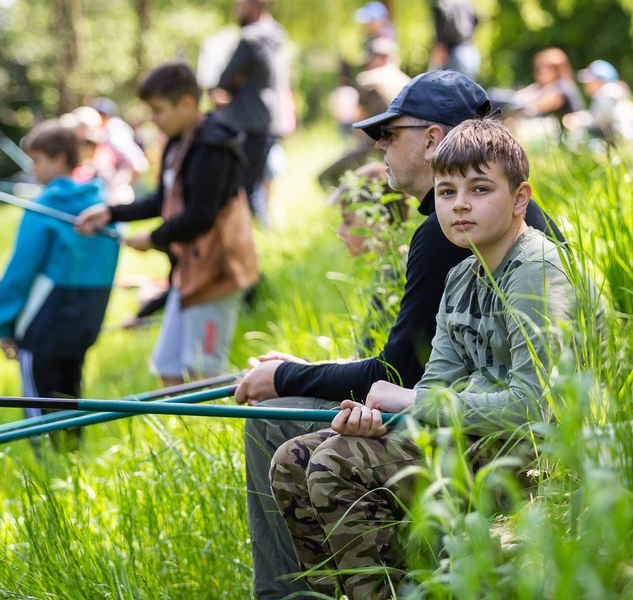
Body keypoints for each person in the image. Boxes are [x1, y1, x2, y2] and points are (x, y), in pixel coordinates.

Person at [235, 70, 565, 599]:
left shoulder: (523, 263)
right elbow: (428, 379)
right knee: (295, 459)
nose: (460, 204)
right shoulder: (463, 266)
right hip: (461, 423)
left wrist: (305, 380)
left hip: (516, 444)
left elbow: (528, 403)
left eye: (389, 134)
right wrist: (378, 415)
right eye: (447, 192)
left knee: (318, 453)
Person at [75, 61, 258, 387]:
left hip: (217, 272)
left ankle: (221, 416)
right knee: (167, 368)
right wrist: (110, 213)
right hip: (188, 273)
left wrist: (154, 238)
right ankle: (184, 423)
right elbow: (162, 199)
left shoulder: (214, 147)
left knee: (204, 373)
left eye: (158, 110)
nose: (154, 119)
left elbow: (201, 215)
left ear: (186, 104)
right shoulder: (176, 141)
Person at [0, 120, 119, 445]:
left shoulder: (44, 208)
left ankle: (46, 464)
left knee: (39, 409)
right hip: (87, 320)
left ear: (59, 159)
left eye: (37, 160)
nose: (32, 168)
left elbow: (20, 271)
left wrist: (4, 325)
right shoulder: (101, 206)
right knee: (71, 395)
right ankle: (73, 456)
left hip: (43, 325)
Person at [212, 0, 288, 224]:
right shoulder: (276, 36)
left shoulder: (251, 38)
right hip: (268, 120)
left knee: (240, 190)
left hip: (245, 122)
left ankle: (243, 235)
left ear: (255, 5)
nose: (236, 9)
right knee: (259, 184)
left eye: (241, 4)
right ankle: (260, 230)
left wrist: (234, 83)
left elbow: (223, 83)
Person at [331, 162, 409, 356]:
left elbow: (365, 355)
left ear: (375, 221)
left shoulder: (397, 273)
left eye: (347, 221)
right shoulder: (390, 267)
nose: (339, 231)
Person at [318, 39, 411, 188]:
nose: (367, 65)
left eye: (369, 60)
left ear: (379, 58)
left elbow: (360, 120)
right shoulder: (408, 81)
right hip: (409, 145)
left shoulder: (368, 79)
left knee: (325, 178)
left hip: (376, 142)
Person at [563, 59, 633, 145]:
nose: (585, 84)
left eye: (589, 80)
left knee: (579, 131)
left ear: (599, 80)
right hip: (624, 141)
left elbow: (596, 121)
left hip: (619, 143)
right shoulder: (614, 94)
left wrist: (578, 120)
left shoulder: (606, 94)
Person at [429, 0, 480, 80]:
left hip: (454, 53)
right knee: (467, 84)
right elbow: (477, 19)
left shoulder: (443, 4)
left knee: (445, 84)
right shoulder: (467, 3)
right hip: (470, 51)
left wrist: (441, 43)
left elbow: (444, 18)